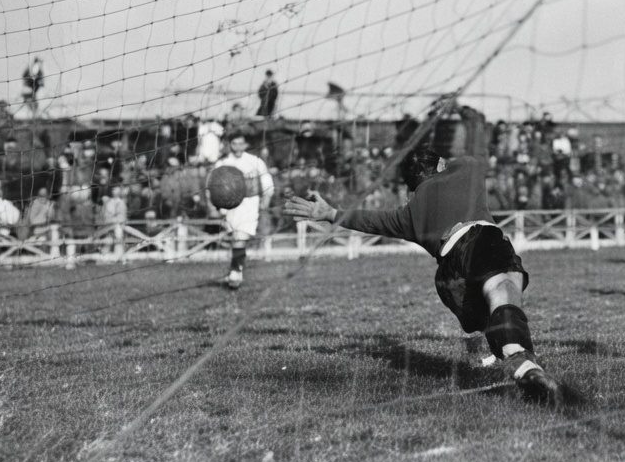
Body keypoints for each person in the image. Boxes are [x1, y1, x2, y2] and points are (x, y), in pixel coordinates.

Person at [283, 105, 561, 405]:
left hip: (448, 278)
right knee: (502, 294)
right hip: (479, 242)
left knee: (488, 323)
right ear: (440, 164)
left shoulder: (409, 214)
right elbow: (477, 143)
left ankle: (514, 363)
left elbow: (368, 220)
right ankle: (525, 364)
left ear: (412, 186)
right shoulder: (465, 171)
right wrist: (466, 115)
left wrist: (330, 213)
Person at [214, 131, 275, 289]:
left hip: (250, 202)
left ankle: (235, 271)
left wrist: (267, 198)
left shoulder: (254, 161)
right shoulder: (223, 163)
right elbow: (213, 186)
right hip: (231, 205)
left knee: (240, 236)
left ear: (246, 144)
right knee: (236, 237)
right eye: (235, 143)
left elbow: (266, 179)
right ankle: (237, 268)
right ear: (230, 145)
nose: (238, 147)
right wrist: (218, 206)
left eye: (241, 143)